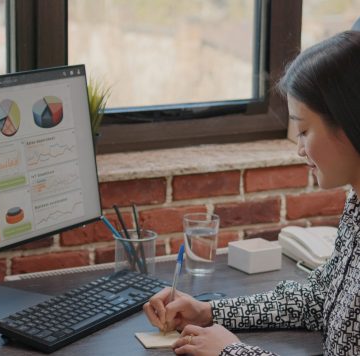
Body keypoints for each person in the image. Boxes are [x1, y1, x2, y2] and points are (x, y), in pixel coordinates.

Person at [143, 30, 360, 356]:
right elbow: (318, 299)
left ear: (349, 123)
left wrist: (232, 352)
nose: (299, 149)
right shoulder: (356, 205)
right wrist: (208, 312)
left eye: (304, 130)